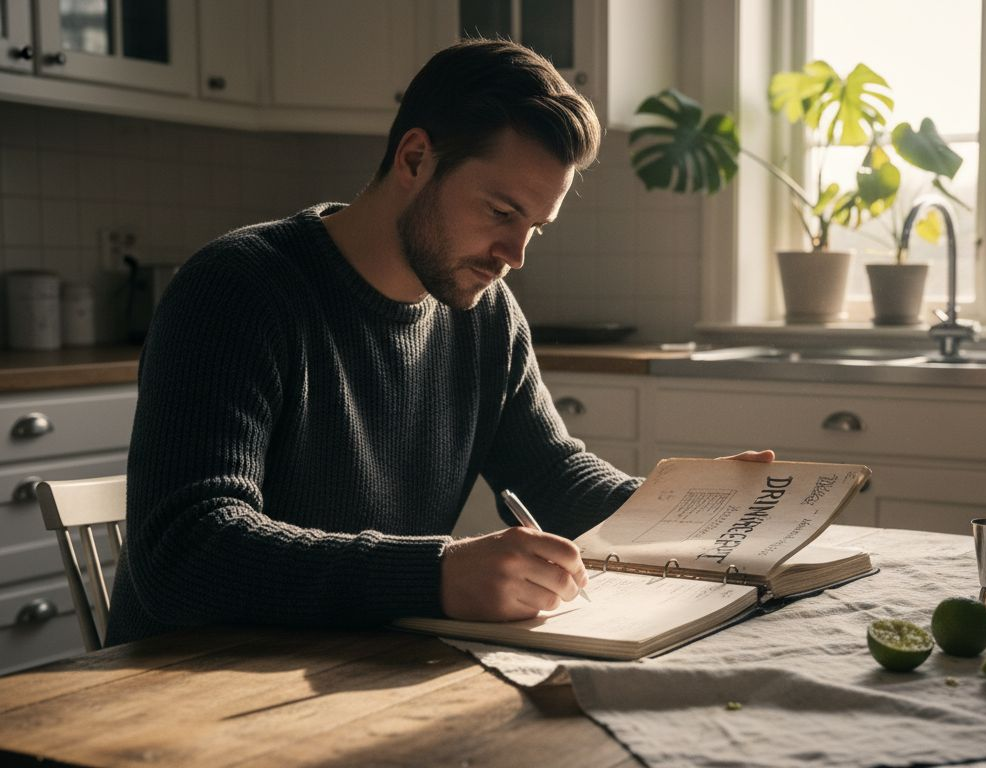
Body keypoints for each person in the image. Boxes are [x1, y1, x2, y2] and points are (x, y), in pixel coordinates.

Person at [105, 39, 771, 646]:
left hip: (358, 671)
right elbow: (183, 551)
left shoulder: (485, 316)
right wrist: (437, 574)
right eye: (502, 213)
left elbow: (553, 476)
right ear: (415, 158)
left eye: (536, 227)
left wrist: (693, 508)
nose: (514, 254)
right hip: (190, 688)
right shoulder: (239, 289)